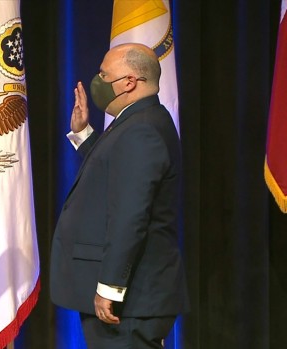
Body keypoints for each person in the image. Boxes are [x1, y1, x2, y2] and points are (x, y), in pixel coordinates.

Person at [49, 43, 189, 348]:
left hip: (130, 301)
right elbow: (116, 174)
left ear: (129, 82)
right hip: (133, 299)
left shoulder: (142, 129)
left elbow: (130, 214)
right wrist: (83, 134)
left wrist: (110, 286)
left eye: (104, 74)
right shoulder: (139, 122)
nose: (97, 81)